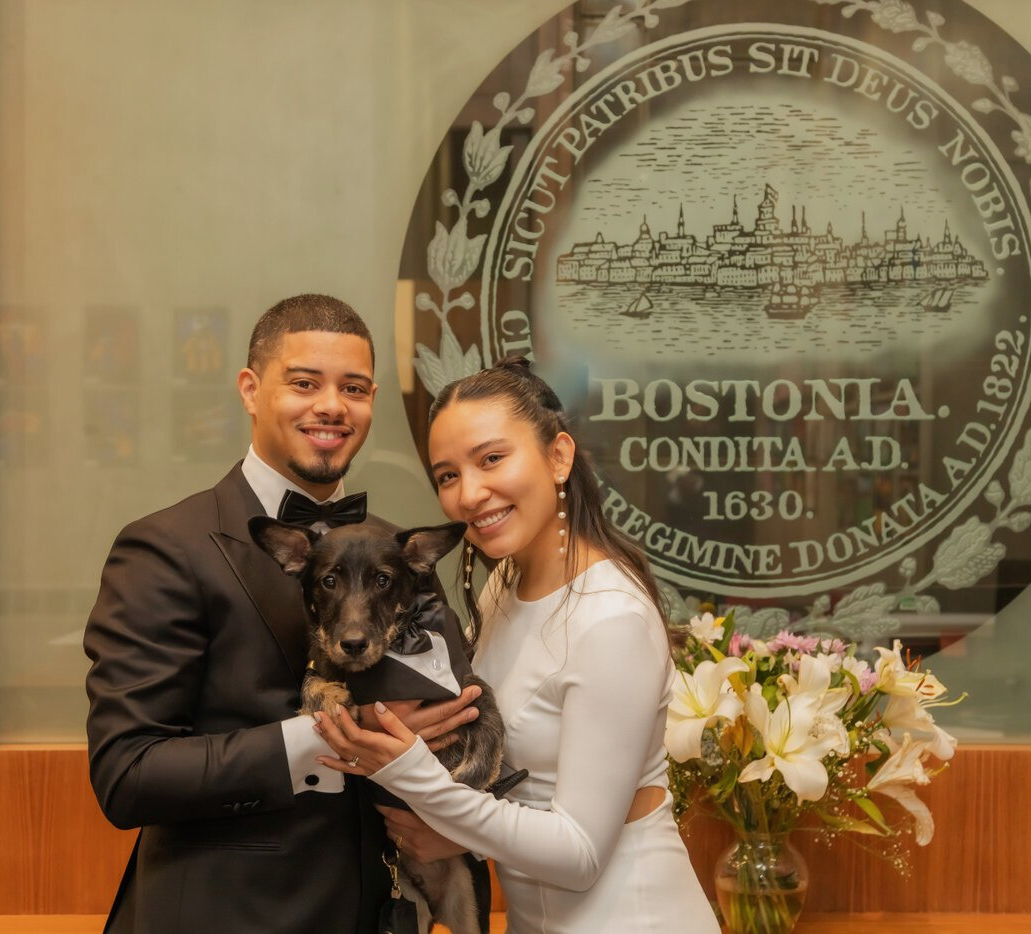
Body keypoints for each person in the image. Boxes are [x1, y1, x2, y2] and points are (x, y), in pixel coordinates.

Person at [83, 294, 481, 934]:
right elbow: (129, 774)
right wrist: (331, 737)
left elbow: (445, 717)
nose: (331, 405)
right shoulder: (164, 548)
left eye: (353, 387)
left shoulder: (398, 550)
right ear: (250, 389)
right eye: (304, 383)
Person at [314, 356, 720, 933]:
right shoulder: (505, 585)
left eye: (491, 459)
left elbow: (579, 856)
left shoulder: (611, 619)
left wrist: (416, 781)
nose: (470, 494)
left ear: (559, 456)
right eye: (448, 475)